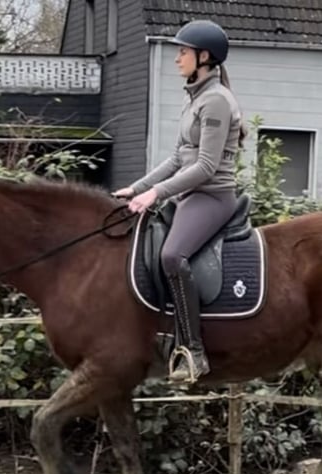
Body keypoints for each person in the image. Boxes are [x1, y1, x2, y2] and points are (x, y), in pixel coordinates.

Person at [113, 19, 246, 383]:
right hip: (188, 195)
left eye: (183, 52)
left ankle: (194, 351)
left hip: (212, 197)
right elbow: (176, 159)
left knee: (173, 255)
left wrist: (156, 193)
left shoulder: (217, 101)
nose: (177, 59)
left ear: (204, 57)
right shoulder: (196, 99)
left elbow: (205, 167)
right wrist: (137, 187)